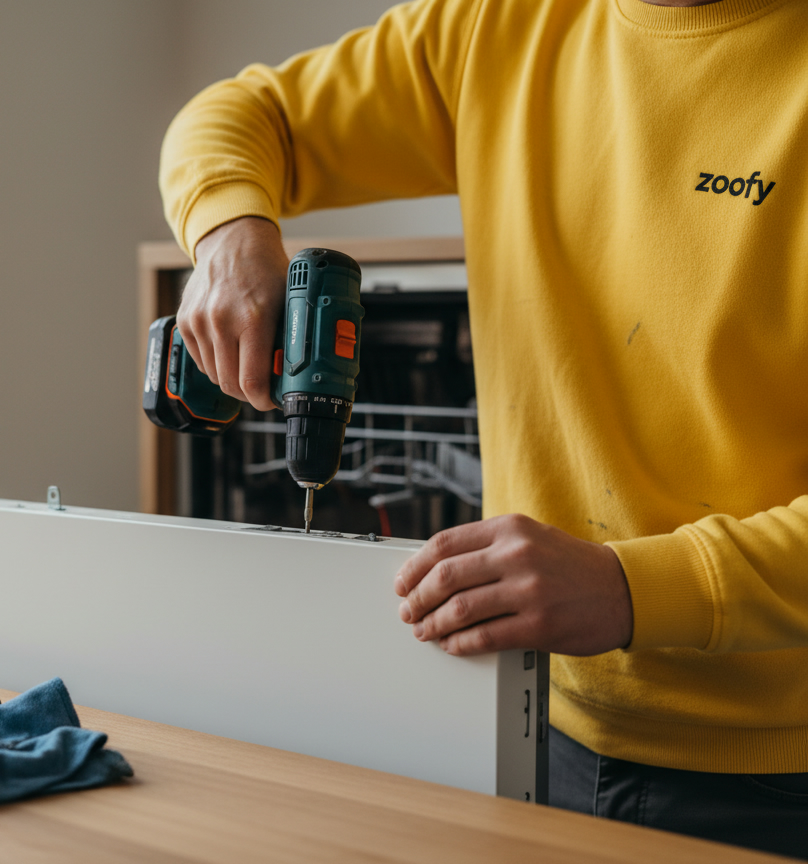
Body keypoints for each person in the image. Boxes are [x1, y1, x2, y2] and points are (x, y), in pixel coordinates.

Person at [157, 0, 808, 857]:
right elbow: (241, 113)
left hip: (772, 775)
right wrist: (228, 232)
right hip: (530, 717)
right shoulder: (496, 26)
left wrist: (632, 587)